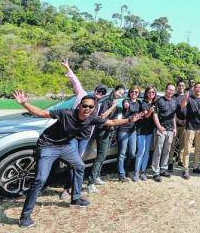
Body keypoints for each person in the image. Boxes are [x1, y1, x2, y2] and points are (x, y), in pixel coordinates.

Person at [13, 90, 140, 228]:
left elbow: (112, 121)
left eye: (91, 107)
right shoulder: (66, 113)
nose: (87, 109)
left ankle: (76, 198)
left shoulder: (92, 118)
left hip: (65, 146)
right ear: (79, 106)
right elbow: (41, 113)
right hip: (47, 145)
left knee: (79, 166)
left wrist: (129, 120)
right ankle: (24, 217)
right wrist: (24, 103)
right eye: (85, 106)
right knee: (40, 179)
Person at [58, 59, 108, 200]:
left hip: (85, 138)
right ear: (95, 90)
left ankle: (72, 189)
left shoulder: (98, 105)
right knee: (74, 161)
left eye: (102, 92)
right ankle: (67, 189)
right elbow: (76, 82)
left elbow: (98, 121)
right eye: (99, 90)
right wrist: (68, 68)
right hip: (73, 135)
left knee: (77, 162)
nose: (100, 93)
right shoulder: (83, 95)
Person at [87, 85, 124, 193]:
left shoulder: (114, 102)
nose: (120, 95)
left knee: (103, 156)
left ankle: (96, 177)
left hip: (110, 131)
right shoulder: (107, 101)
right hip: (102, 132)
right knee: (100, 157)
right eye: (119, 92)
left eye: (122, 94)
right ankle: (91, 183)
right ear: (114, 91)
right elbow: (103, 116)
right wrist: (113, 106)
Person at [180, 82, 200, 179]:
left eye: (199, 87)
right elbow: (182, 106)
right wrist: (185, 97)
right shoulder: (189, 98)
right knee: (187, 149)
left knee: (198, 149)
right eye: (196, 87)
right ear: (194, 89)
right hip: (190, 128)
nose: (198, 89)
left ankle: (196, 167)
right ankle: (185, 169)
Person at [115, 85, 142, 182]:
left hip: (133, 130)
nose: (134, 93)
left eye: (136, 92)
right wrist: (126, 105)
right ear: (129, 92)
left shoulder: (139, 103)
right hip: (123, 129)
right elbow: (125, 106)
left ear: (138, 93)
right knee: (122, 153)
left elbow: (141, 113)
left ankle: (127, 169)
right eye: (132, 91)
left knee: (132, 153)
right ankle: (121, 174)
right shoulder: (126, 101)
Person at [152, 83, 178, 182]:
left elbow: (173, 116)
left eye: (173, 90)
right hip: (161, 130)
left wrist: (175, 128)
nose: (171, 91)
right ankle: (156, 172)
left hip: (170, 130)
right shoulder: (159, 101)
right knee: (158, 151)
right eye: (169, 89)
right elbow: (155, 115)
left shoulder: (174, 101)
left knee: (166, 151)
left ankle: (163, 169)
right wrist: (159, 126)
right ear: (165, 90)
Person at [134, 85, 157, 182]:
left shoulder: (155, 103)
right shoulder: (143, 103)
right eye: (149, 92)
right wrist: (151, 111)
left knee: (147, 152)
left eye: (153, 92)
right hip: (141, 130)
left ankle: (143, 172)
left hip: (150, 131)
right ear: (146, 94)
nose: (151, 94)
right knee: (141, 152)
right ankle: (136, 172)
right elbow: (147, 115)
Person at [168, 80, 188, 172]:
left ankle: (180, 160)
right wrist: (178, 120)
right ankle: (170, 162)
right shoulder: (173, 97)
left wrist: (186, 120)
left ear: (185, 86)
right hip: (174, 124)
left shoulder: (187, 96)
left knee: (183, 144)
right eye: (179, 85)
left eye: (183, 85)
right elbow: (172, 111)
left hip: (185, 124)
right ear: (177, 86)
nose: (181, 87)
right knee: (172, 144)